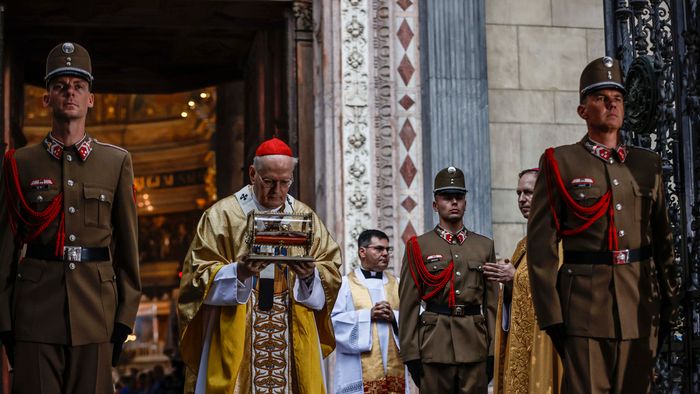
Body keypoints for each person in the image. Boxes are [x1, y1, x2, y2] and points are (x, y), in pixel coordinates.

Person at [527, 56, 679, 393]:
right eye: (601, 98)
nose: (612, 104)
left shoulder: (646, 164)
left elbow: (662, 239)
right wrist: (552, 318)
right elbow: (542, 248)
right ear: (583, 110)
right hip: (583, 308)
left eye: (618, 98)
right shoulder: (560, 161)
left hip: (639, 303)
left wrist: (669, 303)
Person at [0, 42, 141, 393]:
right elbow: (4, 251)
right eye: (60, 86)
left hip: (96, 314)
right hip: (34, 315)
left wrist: (123, 320)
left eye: (78, 86)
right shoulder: (20, 163)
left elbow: (128, 251)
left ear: (91, 98)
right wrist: (5, 323)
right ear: (46, 98)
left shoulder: (115, 162)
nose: (70, 93)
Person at [177, 137, 342, 394]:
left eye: (285, 182)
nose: (277, 190)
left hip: (292, 335)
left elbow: (331, 271)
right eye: (269, 181)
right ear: (253, 174)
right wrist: (238, 273)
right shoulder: (222, 216)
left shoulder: (305, 218)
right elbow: (195, 277)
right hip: (237, 337)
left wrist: (310, 277)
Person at [399, 166, 499, 393]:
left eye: (459, 197)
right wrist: (411, 353)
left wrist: (494, 350)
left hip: (476, 345)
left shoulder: (484, 246)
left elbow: (492, 304)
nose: (454, 202)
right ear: (435, 205)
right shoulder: (418, 246)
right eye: (446, 197)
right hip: (434, 346)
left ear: (466, 203)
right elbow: (408, 305)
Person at [483, 168, 563, 393]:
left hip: (547, 344)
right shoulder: (524, 244)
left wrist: (515, 276)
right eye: (518, 193)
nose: (521, 199)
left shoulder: (559, 237)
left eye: (528, 192)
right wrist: (509, 286)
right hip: (524, 341)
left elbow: (558, 285)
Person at [331, 229, 407, 393]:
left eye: (388, 249)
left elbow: (417, 319)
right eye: (379, 249)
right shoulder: (344, 284)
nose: (385, 253)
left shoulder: (399, 285)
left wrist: (395, 317)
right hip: (355, 368)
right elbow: (332, 323)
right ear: (362, 252)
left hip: (394, 370)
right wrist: (367, 316)